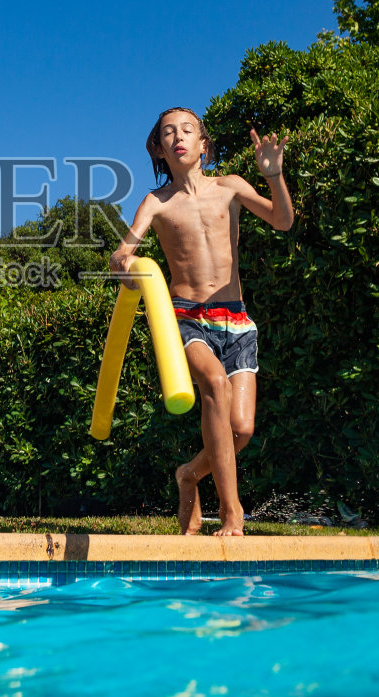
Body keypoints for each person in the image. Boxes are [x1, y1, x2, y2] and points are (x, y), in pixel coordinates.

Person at [109, 107, 293, 536]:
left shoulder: (229, 187)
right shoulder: (157, 202)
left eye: (188, 130)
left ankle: (188, 474)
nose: (179, 136)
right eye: (169, 132)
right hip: (186, 318)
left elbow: (282, 221)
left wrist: (274, 176)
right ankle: (233, 514)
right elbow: (122, 252)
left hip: (237, 320)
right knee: (214, 384)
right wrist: (126, 263)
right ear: (158, 148)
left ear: (203, 144)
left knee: (241, 429)